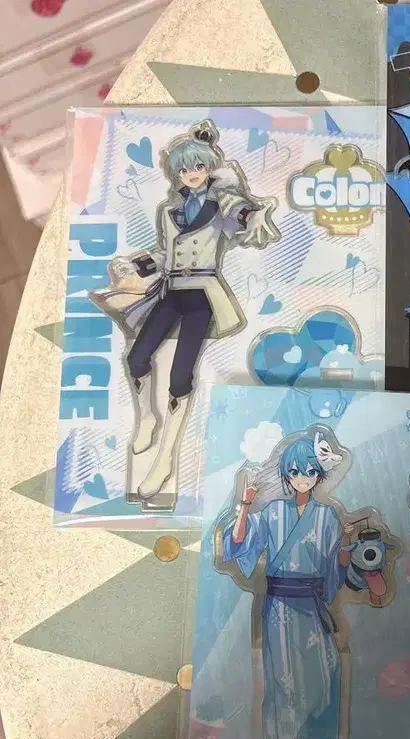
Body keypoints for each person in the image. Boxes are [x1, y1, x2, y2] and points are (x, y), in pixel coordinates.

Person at [107, 119, 280, 500]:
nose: (192, 173)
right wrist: (136, 265)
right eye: (184, 169)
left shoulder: (222, 204)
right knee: (136, 357)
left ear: (209, 167)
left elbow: (241, 214)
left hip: (202, 296)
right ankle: (146, 417)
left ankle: (165, 458)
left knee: (180, 377)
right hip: (170, 292)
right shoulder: (170, 210)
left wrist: (252, 215)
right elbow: (166, 252)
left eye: (198, 166)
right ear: (177, 174)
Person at [222, 434, 356, 739]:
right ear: (287, 473)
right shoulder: (272, 513)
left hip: (313, 610)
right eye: (295, 471)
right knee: (282, 695)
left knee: (324, 685)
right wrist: (245, 506)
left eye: (310, 471)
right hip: (279, 609)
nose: (302, 478)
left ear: (318, 475)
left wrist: (346, 547)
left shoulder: (327, 517)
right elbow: (239, 542)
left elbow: (334, 572)